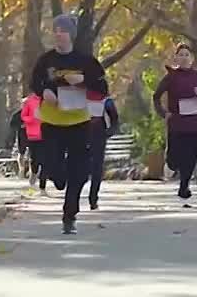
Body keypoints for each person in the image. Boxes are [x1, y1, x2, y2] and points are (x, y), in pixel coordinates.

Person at [30, 13, 108, 234]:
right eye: (56, 30)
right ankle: (58, 177)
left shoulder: (86, 62)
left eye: (63, 30)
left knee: (79, 171)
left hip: (78, 121)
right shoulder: (46, 61)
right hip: (52, 120)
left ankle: (69, 214)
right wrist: (45, 91)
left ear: (71, 35)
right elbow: (34, 82)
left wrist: (84, 80)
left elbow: (103, 89)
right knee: (53, 165)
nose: (58, 34)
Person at [153, 43, 197, 200]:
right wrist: (163, 113)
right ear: (176, 58)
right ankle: (172, 166)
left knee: (190, 156)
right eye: (181, 55)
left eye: (187, 55)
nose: (184, 58)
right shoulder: (171, 77)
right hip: (176, 123)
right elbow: (156, 96)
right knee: (174, 157)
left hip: (193, 123)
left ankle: (184, 186)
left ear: (192, 59)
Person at [86, 92, 121, 210]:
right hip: (81, 136)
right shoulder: (79, 96)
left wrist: (108, 132)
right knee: (85, 168)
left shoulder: (106, 101)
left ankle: (93, 198)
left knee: (96, 168)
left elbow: (114, 118)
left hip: (98, 137)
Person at [20, 92, 46, 191]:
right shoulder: (29, 101)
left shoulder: (48, 99)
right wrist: (33, 119)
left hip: (46, 134)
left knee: (45, 161)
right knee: (34, 159)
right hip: (33, 135)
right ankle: (33, 178)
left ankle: (42, 186)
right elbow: (24, 116)